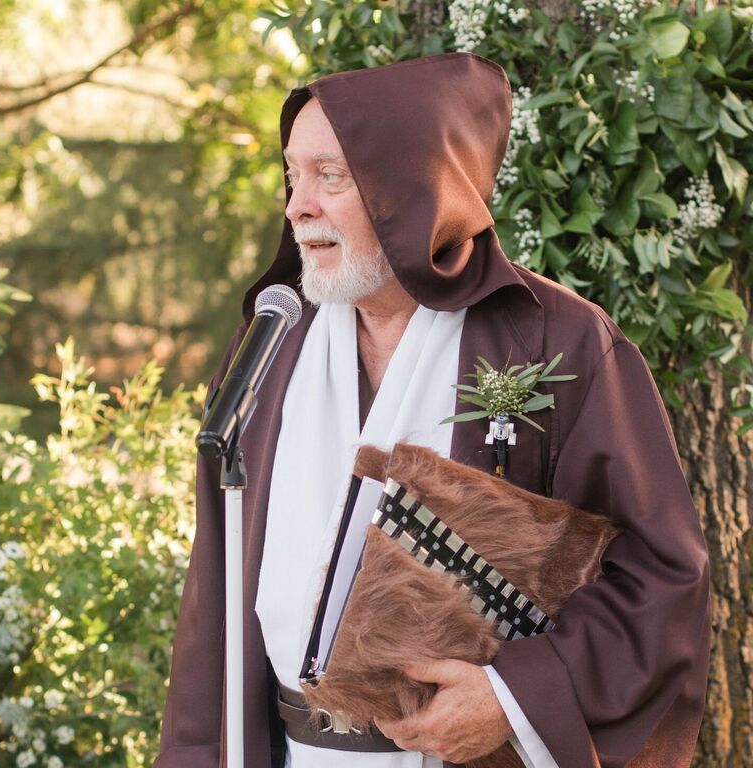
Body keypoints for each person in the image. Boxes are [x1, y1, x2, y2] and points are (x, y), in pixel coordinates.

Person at [154, 52, 710, 768]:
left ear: (411, 187)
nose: (297, 205)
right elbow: (216, 598)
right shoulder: (272, 342)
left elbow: (660, 575)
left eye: (330, 176)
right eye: (293, 175)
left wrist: (512, 699)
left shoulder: (557, 340)